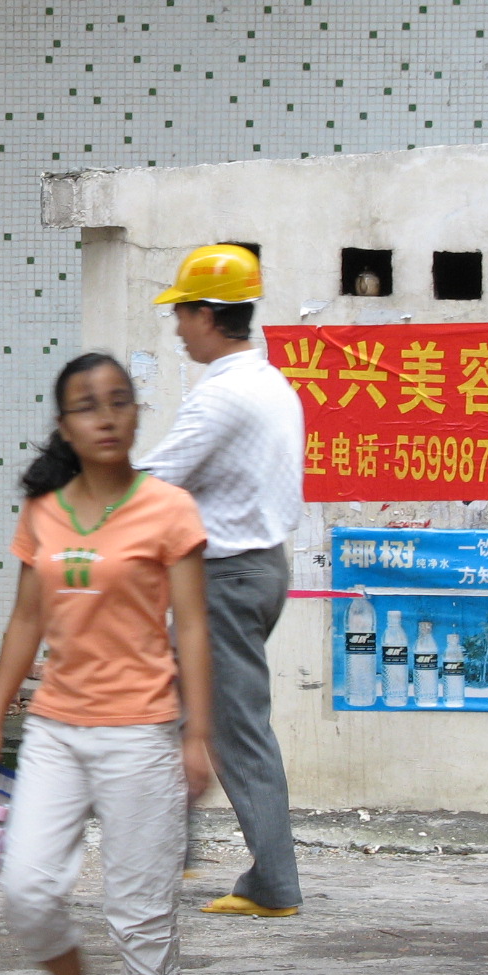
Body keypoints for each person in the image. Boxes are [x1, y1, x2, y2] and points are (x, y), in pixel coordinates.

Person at [0, 352, 212, 975]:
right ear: (65, 427)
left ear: (135, 414)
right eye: (86, 407)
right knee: (26, 893)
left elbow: (193, 627)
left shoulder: (170, 509)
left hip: (142, 734)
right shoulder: (43, 511)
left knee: (142, 917)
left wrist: (197, 737)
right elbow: (26, 620)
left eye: (118, 401)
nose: (105, 418)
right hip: (56, 730)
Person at [140, 243, 305, 919]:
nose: (178, 327)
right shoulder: (270, 384)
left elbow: (156, 481)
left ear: (208, 315)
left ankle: (275, 885)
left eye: (182, 313)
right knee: (169, 712)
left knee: (237, 731)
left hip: (226, 580)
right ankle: (167, 851)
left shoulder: (221, 397)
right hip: (255, 569)